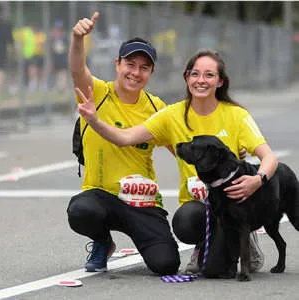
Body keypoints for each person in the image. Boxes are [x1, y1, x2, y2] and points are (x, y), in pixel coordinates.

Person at [76, 50, 278, 276]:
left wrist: (257, 180)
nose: (201, 80)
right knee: (185, 222)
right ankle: (204, 243)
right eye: (195, 74)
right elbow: (124, 138)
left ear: (220, 81)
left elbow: (269, 158)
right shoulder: (171, 115)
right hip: (197, 205)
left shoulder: (236, 115)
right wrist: (94, 121)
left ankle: (243, 235)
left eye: (209, 75)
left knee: (215, 272)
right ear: (186, 77)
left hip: (231, 204)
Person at [67, 11, 180, 276]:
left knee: (166, 264)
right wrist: (77, 38)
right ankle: (103, 241)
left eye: (144, 67)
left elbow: (182, 152)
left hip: (142, 200)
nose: (135, 72)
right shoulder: (97, 93)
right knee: (81, 210)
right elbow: (76, 68)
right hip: (101, 195)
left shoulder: (157, 108)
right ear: (117, 64)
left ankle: (147, 238)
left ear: (151, 72)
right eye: (130, 64)